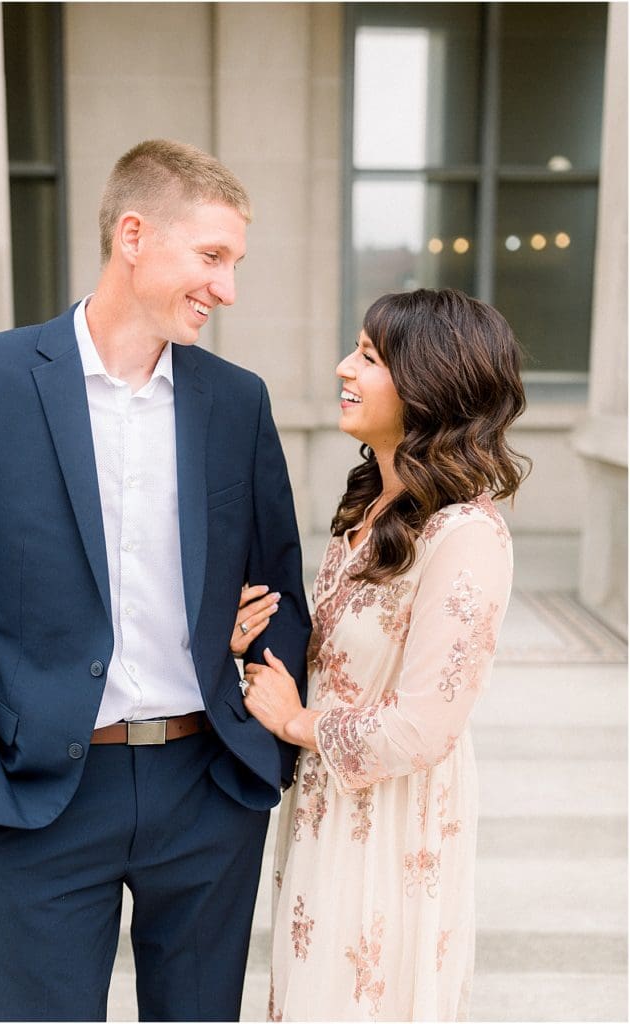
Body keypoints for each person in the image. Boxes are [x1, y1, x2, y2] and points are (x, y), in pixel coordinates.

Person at [0, 138, 312, 1023]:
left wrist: (263, 748)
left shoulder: (237, 400)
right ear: (135, 235)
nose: (227, 288)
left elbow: (279, 590)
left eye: (234, 263)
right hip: (39, 798)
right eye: (212, 256)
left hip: (206, 790)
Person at [238, 288, 529, 1021]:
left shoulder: (465, 535)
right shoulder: (374, 510)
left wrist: (297, 723)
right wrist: (247, 639)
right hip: (326, 807)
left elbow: (424, 728)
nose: (344, 367)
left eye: (368, 357)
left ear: (429, 381)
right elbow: (347, 659)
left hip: (392, 826)